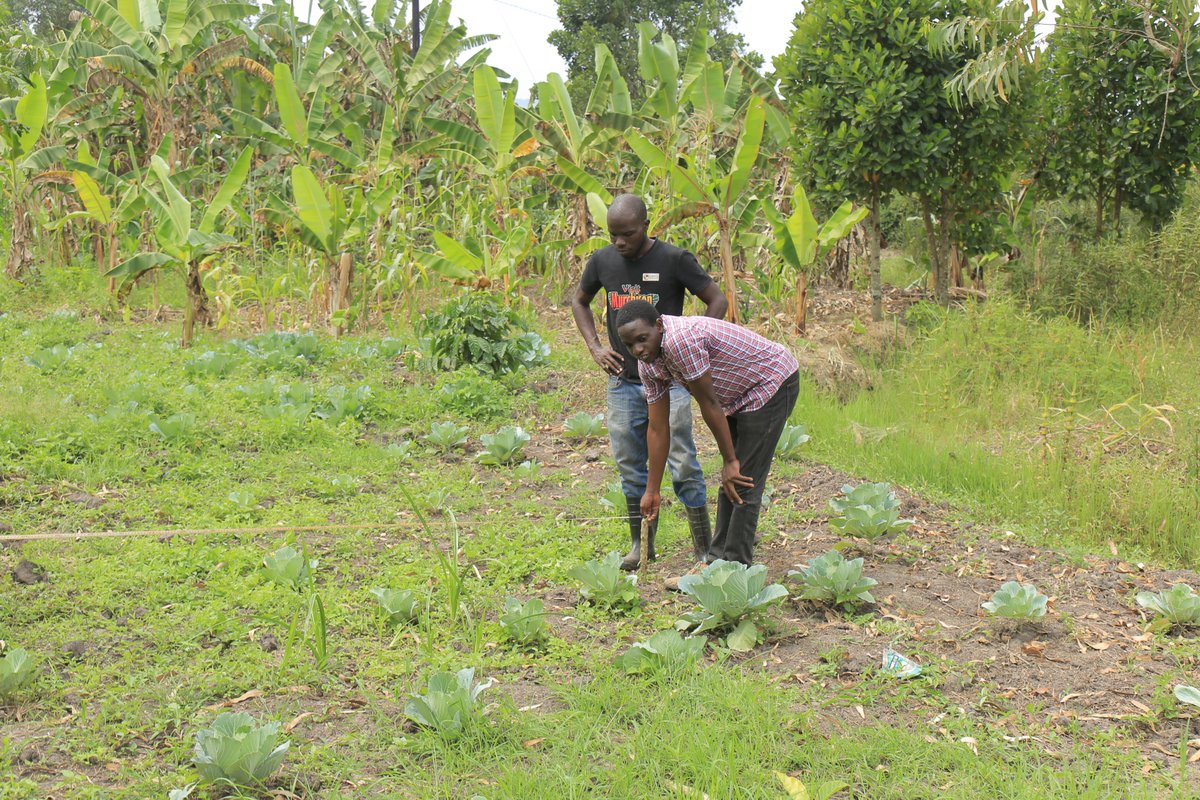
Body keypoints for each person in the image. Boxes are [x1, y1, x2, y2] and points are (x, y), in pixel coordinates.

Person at [571, 194, 728, 570]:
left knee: (683, 461)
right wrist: (595, 347)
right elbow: (580, 301)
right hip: (623, 381)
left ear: (645, 225)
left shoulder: (674, 259)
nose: (620, 243)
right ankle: (641, 546)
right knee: (629, 463)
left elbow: (716, 299)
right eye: (613, 235)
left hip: (670, 380)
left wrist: (697, 348)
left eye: (627, 234)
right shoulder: (603, 261)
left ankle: (704, 550)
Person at [614, 299, 799, 582]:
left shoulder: (680, 342)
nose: (638, 350)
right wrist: (652, 491)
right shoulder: (648, 364)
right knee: (731, 482)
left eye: (642, 339)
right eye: (630, 346)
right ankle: (715, 562)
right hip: (737, 397)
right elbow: (658, 429)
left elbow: (709, 403)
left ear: (659, 326)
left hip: (769, 382)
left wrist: (730, 460)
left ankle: (734, 572)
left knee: (742, 480)